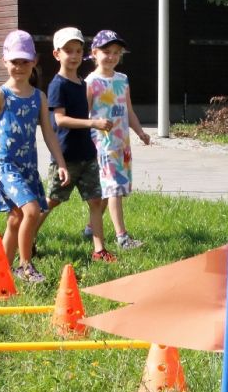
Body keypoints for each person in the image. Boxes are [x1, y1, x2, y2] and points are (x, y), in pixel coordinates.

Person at [0, 29, 68, 284]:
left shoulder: (39, 97)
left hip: (28, 167)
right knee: (31, 210)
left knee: (16, 218)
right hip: (5, 167)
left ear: (34, 62)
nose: (19, 66)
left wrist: (60, 162)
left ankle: (0, 272)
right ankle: (25, 265)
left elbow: (49, 133)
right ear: (4, 61)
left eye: (24, 61)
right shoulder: (0, 95)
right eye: (14, 61)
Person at [38, 27, 116, 262]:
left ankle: (99, 250)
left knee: (95, 199)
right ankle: (28, 236)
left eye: (78, 50)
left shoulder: (82, 84)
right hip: (66, 156)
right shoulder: (57, 85)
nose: (73, 56)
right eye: (68, 51)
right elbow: (59, 120)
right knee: (52, 200)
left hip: (86, 154)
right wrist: (93, 122)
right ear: (56, 54)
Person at [85, 29, 150, 250]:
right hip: (102, 144)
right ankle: (122, 237)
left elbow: (128, 110)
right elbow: (86, 115)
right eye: (106, 52)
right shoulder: (91, 82)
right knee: (114, 189)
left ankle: (90, 228)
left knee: (108, 188)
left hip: (122, 144)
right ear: (94, 53)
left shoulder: (122, 79)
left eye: (116, 52)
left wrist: (140, 132)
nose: (111, 56)